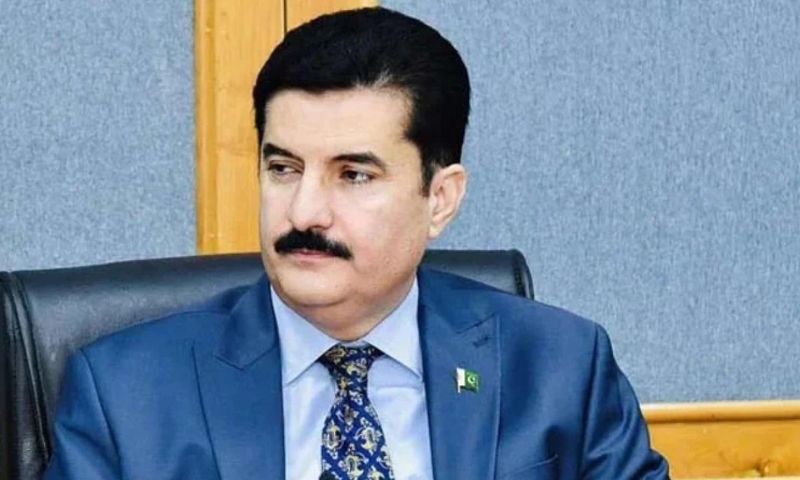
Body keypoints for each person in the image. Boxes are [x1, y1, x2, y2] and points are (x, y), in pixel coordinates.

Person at [44, 7, 669, 480]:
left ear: (440, 199)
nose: (304, 212)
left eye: (354, 175)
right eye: (283, 168)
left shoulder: (562, 368)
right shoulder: (126, 393)